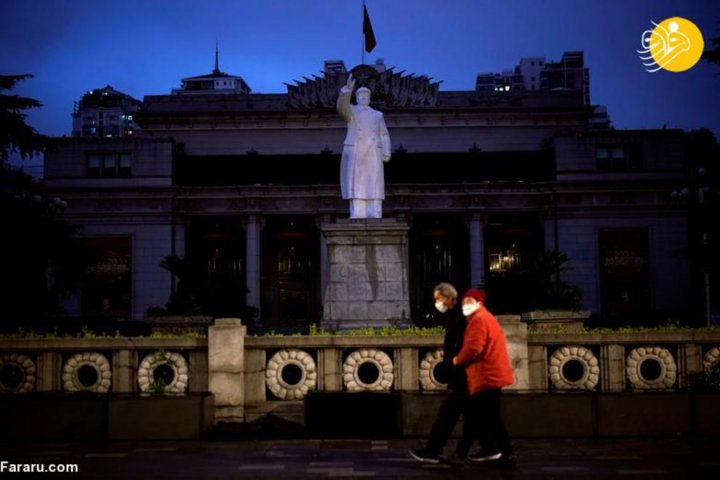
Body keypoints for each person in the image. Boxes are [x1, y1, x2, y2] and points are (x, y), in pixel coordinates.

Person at [408, 282, 475, 464]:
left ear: (447, 297)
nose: (436, 303)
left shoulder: (461, 315)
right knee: (475, 416)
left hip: (464, 375)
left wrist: (454, 365)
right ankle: (493, 449)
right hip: (464, 375)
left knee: (449, 414)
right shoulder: (455, 315)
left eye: (438, 298)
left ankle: (434, 450)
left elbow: (465, 346)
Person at [453, 288, 517, 469]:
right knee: (484, 417)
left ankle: (461, 454)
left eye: (470, 302)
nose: (465, 305)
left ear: (479, 304)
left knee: (481, 418)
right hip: (489, 375)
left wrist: (457, 360)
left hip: (486, 376)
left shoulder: (479, 320)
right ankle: (491, 451)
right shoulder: (484, 318)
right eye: (464, 302)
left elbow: (474, 347)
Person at [336, 73, 391, 219]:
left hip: (373, 151)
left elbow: (384, 134)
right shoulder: (352, 112)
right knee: (357, 181)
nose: (363, 98)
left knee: (374, 181)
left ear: (369, 98)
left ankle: (375, 211)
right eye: (360, 96)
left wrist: (386, 151)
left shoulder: (377, 115)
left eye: (366, 96)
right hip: (357, 149)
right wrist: (347, 90)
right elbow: (341, 108)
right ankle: (358, 212)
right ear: (357, 98)